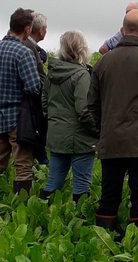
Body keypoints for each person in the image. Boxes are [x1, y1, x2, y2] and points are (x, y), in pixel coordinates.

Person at [88, 9, 138, 231]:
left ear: (123, 31)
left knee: (109, 193)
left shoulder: (102, 63)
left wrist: (101, 132)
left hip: (111, 140)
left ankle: (103, 241)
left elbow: (92, 106)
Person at [0, 8, 42, 201]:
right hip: (18, 118)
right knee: (23, 164)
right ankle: (21, 206)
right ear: (27, 28)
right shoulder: (24, 53)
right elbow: (33, 87)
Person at [40, 31, 97, 203]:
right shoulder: (82, 75)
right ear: (82, 49)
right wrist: (97, 130)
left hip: (56, 136)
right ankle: (81, 221)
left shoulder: (52, 72)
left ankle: (42, 213)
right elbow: (83, 110)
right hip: (79, 139)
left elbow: (44, 103)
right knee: (82, 184)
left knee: (53, 180)